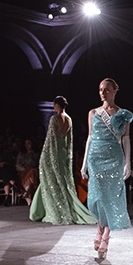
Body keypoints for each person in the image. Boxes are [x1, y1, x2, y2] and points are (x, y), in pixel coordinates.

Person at [81, 79, 133, 259]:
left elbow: (126, 139)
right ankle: (99, 228)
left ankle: (106, 234)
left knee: (110, 197)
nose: (103, 93)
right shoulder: (93, 112)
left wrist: (128, 163)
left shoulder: (123, 114)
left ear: (114, 91)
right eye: (100, 90)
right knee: (95, 197)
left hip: (114, 158)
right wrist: (84, 162)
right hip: (96, 158)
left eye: (106, 89)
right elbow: (90, 137)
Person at [30, 96, 95, 224]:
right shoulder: (69, 119)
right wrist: (68, 157)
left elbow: (50, 139)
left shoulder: (54, 119)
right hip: (63, 153)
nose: (53, 106)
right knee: (59, 181)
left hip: (53, 153)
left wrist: (45, 156)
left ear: (57, 104)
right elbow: (69, 141)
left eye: (54, 104)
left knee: (51, 180)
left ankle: (54, 211)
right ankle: (50, 209)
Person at [0, 138, 17, 206]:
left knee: (4, 170)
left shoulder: (5, 152)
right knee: (4, 171)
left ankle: (7, 195)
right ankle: (12, 182)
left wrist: (4, 163)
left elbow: (11, 163)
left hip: (5, 171)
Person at [16, 138, 40, 206]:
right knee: (31, 173)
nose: (27, 145)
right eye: (25, 144)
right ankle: (28, 191)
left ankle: (27, 190)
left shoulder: (36, 154)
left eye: (28, 143)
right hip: (23, 172)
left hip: (33, 171)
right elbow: (17, 165)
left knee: (33, 172)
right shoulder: (21, 154)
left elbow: (36, 163)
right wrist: (24, 168)